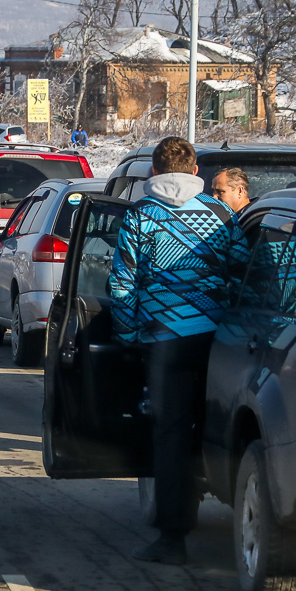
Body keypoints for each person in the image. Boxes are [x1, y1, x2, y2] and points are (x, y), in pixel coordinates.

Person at [108, 136, 245, 565]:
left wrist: (128, 335)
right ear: (195, 172)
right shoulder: (220, 215)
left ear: (153, 172)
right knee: (214, 427)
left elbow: (122, 284)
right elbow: (242, 268)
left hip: (163, 340)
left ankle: (173, 538)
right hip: (215, 340)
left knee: (169, 435)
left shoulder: (141, 217)